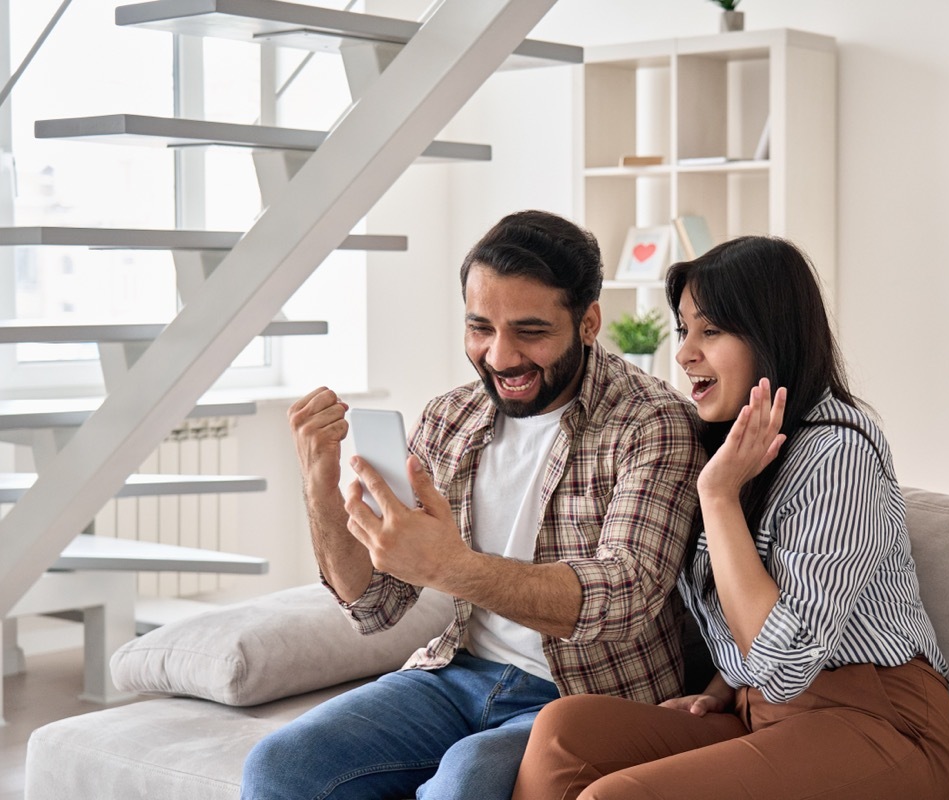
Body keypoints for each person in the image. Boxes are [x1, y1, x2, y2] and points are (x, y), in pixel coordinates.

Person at [241, 210, 706, 800]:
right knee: (280, 766)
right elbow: (375, 605)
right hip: (455, 674)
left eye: (530, 331)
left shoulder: (652, 423)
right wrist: (318, 486)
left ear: (588, 322)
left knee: (462, 784)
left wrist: (450, 567)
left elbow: (624, 596)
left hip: (586, 699)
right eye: (480, 327)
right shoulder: (449, 418)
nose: (500, 356)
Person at [513, 236, 949, 800]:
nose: (683, 354)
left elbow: (784, 663)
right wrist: (724, 684)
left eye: (711, 331)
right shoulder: (734, 446)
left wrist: (719, 496)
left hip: (885, 726)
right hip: (764, 713)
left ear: (770, 336)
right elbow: (749, 616)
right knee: (563, 732)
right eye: (684, 331)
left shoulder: (839, 453)